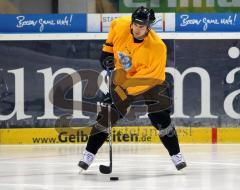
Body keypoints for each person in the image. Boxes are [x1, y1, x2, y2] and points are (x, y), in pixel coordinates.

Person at [78, 6, 187, 171]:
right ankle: (88, 154)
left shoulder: (158, 47)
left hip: (152, 81)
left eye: (142, 26)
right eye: (135, 24)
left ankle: (176, 155)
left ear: (149, 26)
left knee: (160, 118)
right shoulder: (120, 25)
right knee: (107, 115)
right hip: (124, 75)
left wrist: (118, 93)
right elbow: (111, 41)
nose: (137, 29)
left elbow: (145, 80)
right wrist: (107, 54)